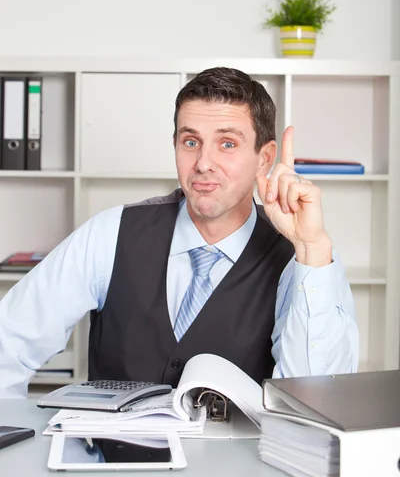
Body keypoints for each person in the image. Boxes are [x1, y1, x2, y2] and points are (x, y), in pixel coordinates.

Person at [0, 67, 358, 398]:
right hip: (113, 464)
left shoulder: (301, 258)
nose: (203, 163)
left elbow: (314, 398)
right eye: (190, 142)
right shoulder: (111, 232)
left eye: (227, 144)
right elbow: (9, 340)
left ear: (264, 159)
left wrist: (312, 248)